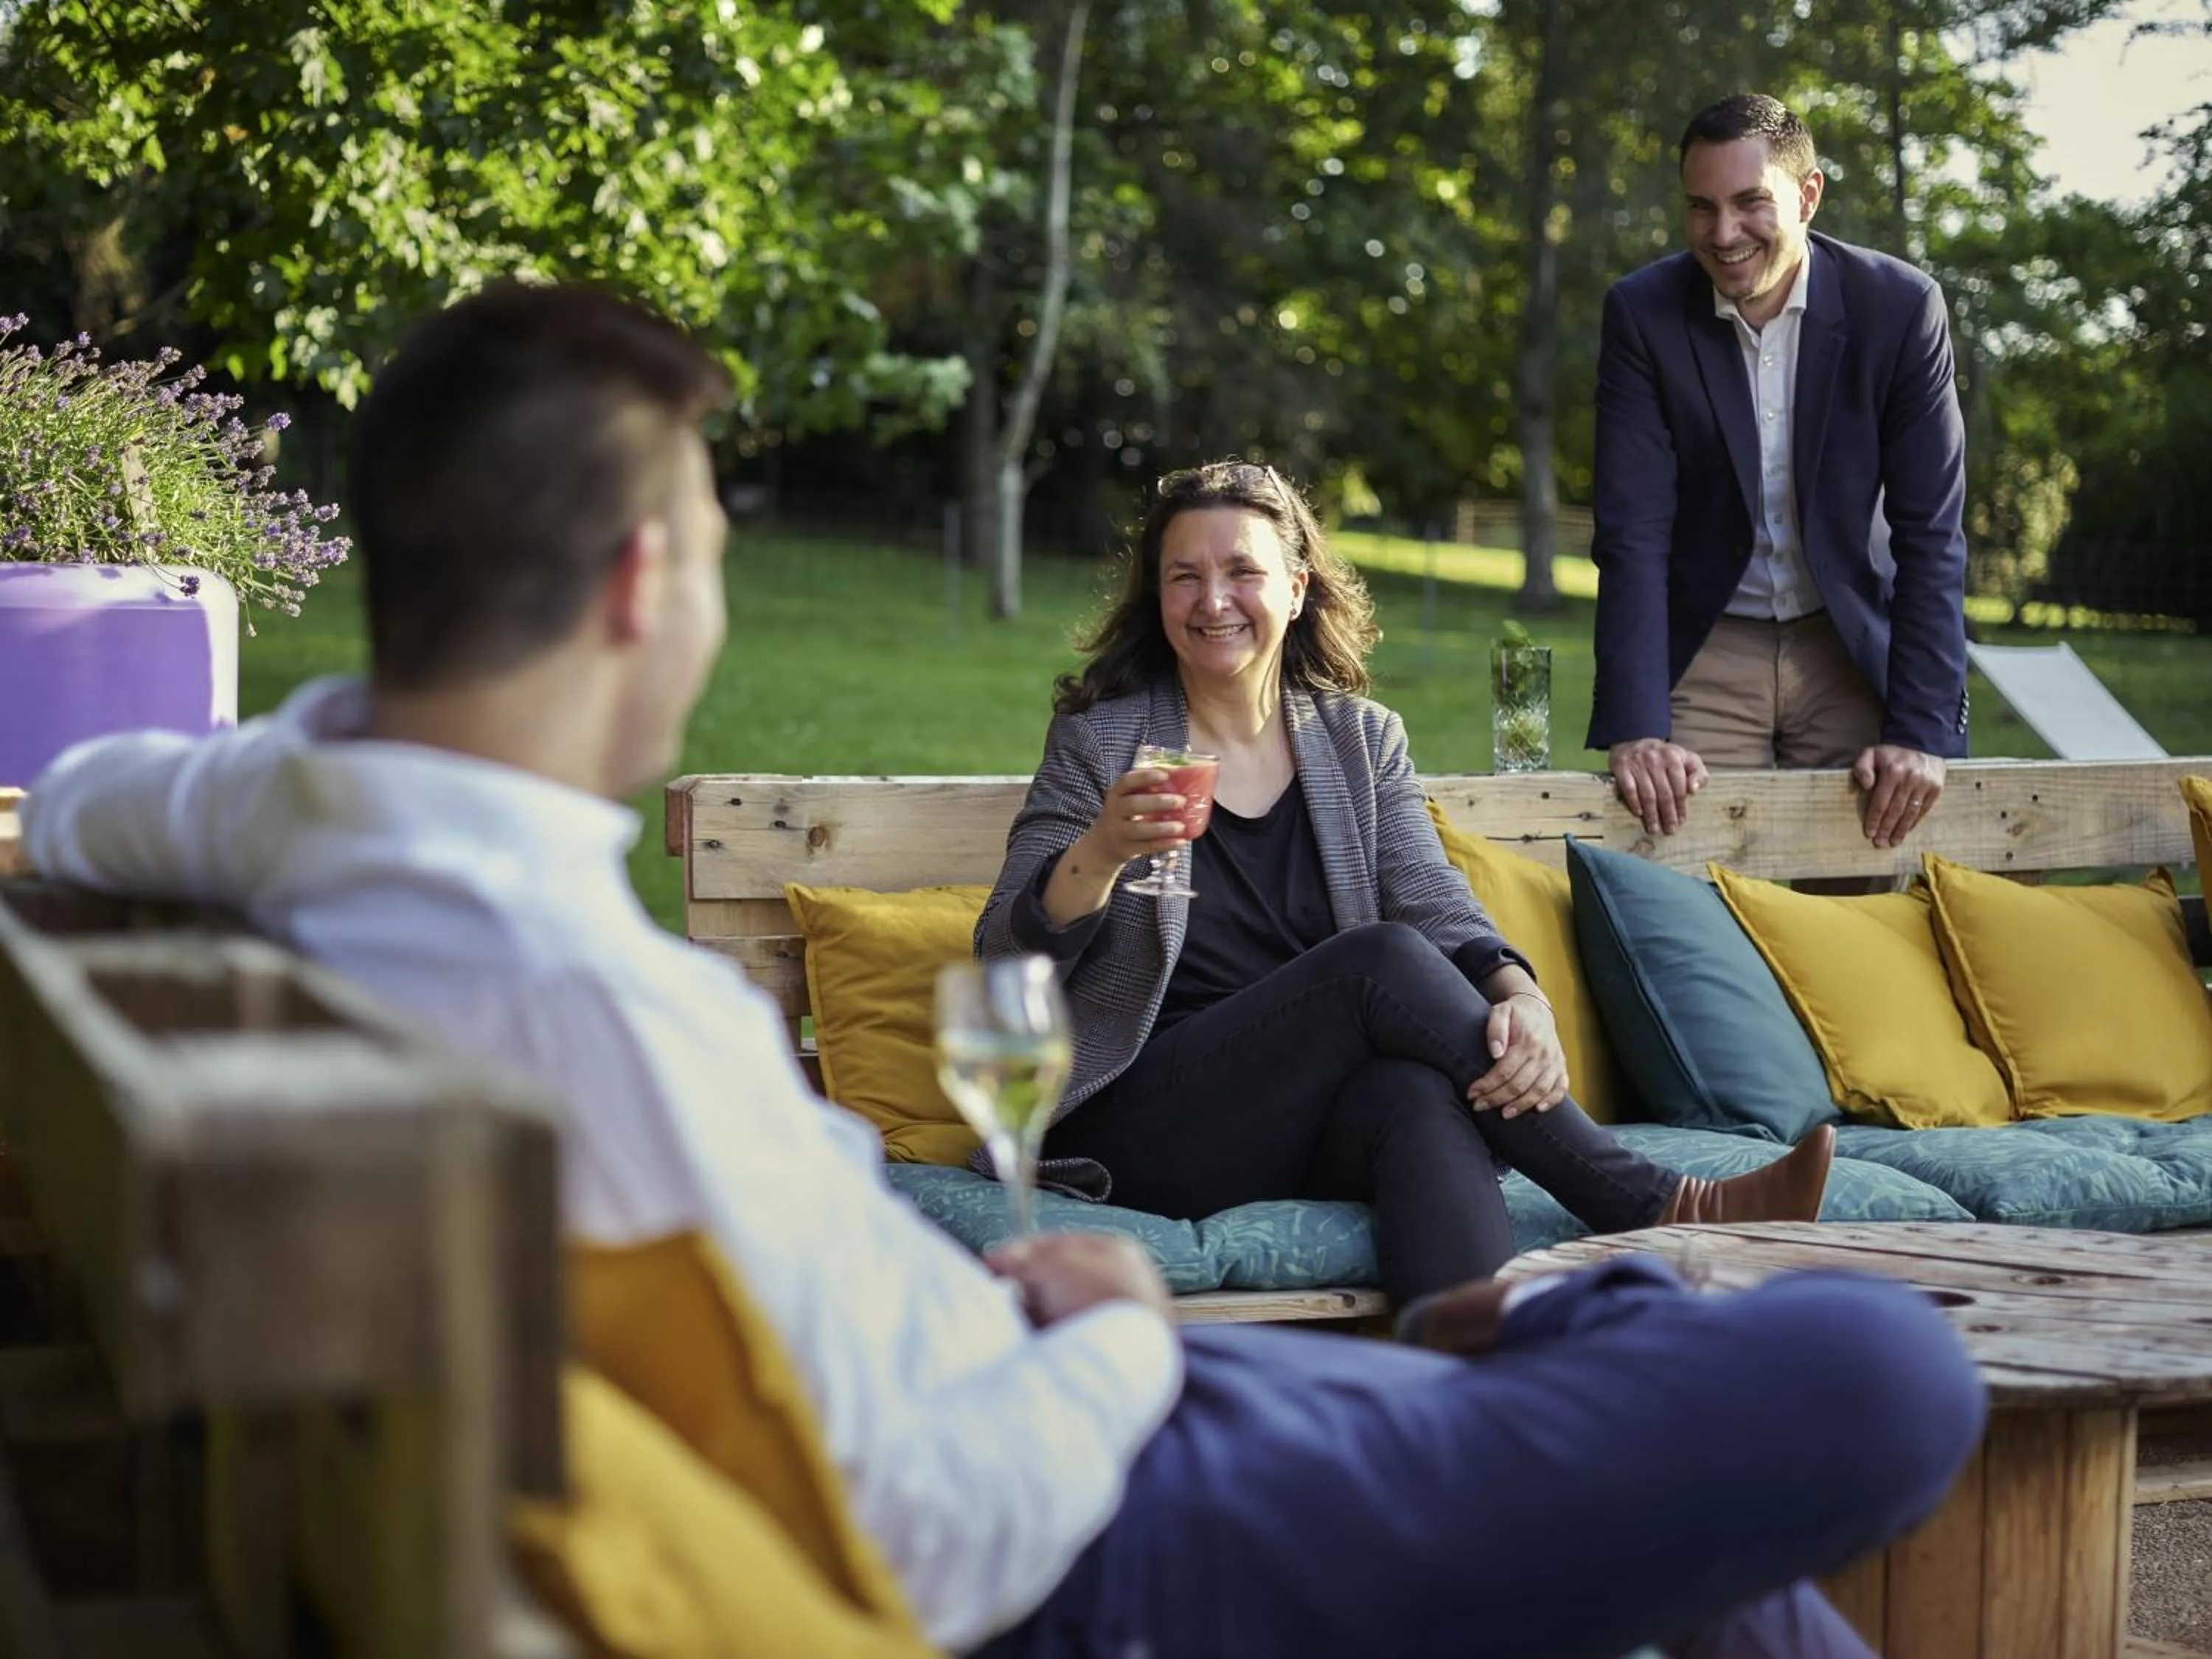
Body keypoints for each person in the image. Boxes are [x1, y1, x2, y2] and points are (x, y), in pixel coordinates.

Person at [23, 282, 1985, 1659]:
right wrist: (1124, 1322)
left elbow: (115, 796)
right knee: (1885, 1364)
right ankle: (1596, 1289)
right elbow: (936, 1537)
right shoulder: (612, 1023)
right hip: (1109, 1528)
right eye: (710, 545)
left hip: (1115, 1383)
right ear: (641, 587)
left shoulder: (312, 815)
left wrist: (62, 807)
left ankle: (1548, 1324)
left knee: (1438, 1108)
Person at [978, 459, 1832, 1310]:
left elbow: (1431, 894)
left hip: (1300, 1115)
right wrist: (1102, 849)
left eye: (1243, 572)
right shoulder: (1103, 743)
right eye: (1185, 577)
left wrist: (1521, 995)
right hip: (1146, 1116)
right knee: (1376, 961)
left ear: (1298, 588)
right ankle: (1656, 1201)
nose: (1213, 602)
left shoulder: (1361, 740)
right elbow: (1005, 949)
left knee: (1419, 1095)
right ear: (1157, 596)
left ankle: (1467, 1394)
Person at [1588, 91, 1970, 849]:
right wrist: (1637, 726)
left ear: (1808, 194)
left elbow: (1933, 533)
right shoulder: (1642, 314)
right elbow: (1632, 532)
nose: (1724, 234)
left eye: (1749, 203)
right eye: (1701, 208)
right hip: (1709, 640)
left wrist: (1921, 729)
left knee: (1870, 896)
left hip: (1848, 641)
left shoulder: (1901, 308)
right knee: (1673, 876)